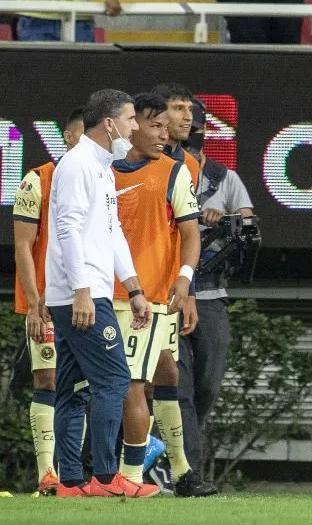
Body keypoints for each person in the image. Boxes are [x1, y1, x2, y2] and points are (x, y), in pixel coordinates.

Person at [45, 89, 158, 498]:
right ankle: (108, 479)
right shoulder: (78, 165)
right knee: (114, 380)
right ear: (109, 124)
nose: (135, 127)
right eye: (130, 119)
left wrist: (135, 288)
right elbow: (67, 229)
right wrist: (82, 291)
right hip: (83, 293)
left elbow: (112, 234)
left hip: (82, 291)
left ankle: (71, 482)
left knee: (73, 389)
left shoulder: (101, 167)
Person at [110, 93, 217, 496]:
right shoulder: (101, 170)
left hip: (157, 294)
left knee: (166, 373)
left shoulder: (175, 170)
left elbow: (190, 233)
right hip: (117, 296)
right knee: (130, 383)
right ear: (131, 125)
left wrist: (185, 282)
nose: (163, 134)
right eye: (154, 126)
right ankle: (128, 477)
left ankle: (180, 470)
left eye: (164, 127)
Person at [177, 102, 255, 474]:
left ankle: (183, 451)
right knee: (176, 387)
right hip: (171, 292)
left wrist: (224, 218)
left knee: (207, 384)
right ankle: (185, 468)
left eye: (195, 130)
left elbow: (250, 227)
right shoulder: (162, 172)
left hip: (209, 292)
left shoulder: (224, 178)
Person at [12, 107, 84, 495]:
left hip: (89, 300)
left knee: (83, 386)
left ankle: (76, 475)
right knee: (48, 378)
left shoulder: (99, 179)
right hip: (46, 302)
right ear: (69, 137)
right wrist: (34, 302)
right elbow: (23, 246)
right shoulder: (37, 180)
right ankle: (47, 475)